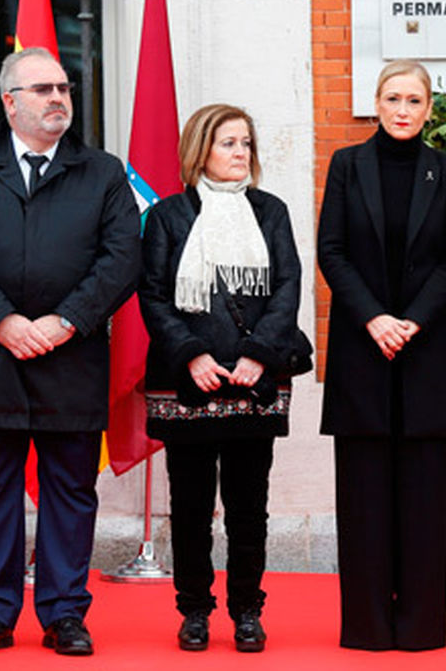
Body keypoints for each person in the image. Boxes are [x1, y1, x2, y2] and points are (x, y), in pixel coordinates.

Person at [0, 47, 141, 656]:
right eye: (42, 89)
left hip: (69, 357)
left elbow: (122, 257)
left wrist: (66, 320)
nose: (57, 99)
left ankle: (64, 614)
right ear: (9, 102)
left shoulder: (101, 172)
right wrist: (3, 322)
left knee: (70, 492)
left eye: (64, 89)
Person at [138, 104, 305, 653]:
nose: (241, 153)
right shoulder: (168, 216)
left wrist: (258, 354)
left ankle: (246, 610)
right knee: (189, 506)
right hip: (187, 382)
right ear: (200, 151)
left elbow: (288, 288)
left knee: (247, 506)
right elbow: (154, 295)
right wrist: (192, 355)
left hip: (253, 383)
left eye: (246, 144)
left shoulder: (271, 212)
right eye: (229, 143)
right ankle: (194, 610)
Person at [317, 59, 446, 650]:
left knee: (425, 500)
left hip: (425, 351)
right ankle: (368, 627)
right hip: (363, 352)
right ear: (375, 105)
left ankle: (421, 627)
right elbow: (332, 250)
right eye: (393, 99)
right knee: (363, 499)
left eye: (414, 100)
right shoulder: (347, 166)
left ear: (429, 109)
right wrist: (375, 317)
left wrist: (412, 320)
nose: (403, 110)